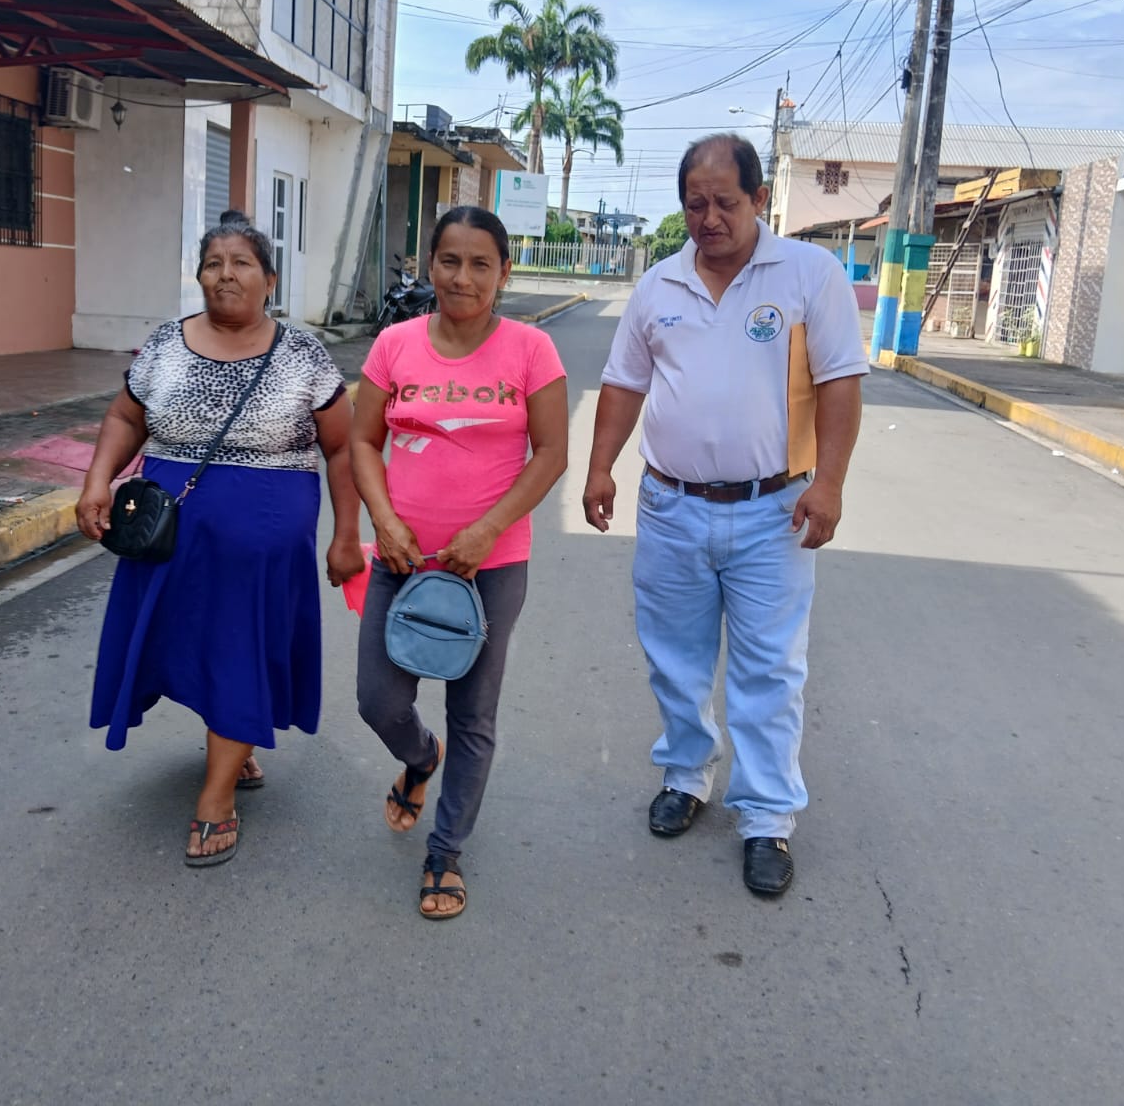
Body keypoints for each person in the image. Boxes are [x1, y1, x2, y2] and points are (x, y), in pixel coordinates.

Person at [583, 134, 867, 898]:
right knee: (674, 657)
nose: (709, 218)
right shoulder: (659, 285)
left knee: (768, 669)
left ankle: (767, 815)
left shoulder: (808, 274)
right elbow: (623, 383)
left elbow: (841, 384)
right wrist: (601, 466)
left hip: (774, 511)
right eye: (695, 204)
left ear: (759, 199)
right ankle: (686, 774)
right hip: (671, 507)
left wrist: (830, 484)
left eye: (725, 202)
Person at [76, 211, 366, 868]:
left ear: (270, 280)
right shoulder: (165, 343)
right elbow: (125, 416)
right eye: (213, 263)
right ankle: (237, 739)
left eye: (241, 263)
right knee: (187, 643)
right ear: (200, 275)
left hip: (264, 534)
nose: (225, 275)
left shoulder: (303, 355)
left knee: (240, 645)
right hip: (169, 529)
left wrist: (347, 535)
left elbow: (342, 449)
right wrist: (98, 480)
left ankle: (217, 796)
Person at [351, 205, 569, 920]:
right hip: (401, 559)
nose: (463, 277)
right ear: (430, 265)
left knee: (473, 712)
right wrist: (383, 521)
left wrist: (488, 530)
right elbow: (363, 442)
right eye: (450, 260)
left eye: (481, 264)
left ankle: (445, 852)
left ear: (504, 272)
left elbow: (551, 454)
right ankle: (420, 758)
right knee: (379, 700)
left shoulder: (532, 350)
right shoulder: (395, 344)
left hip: (491, 566)